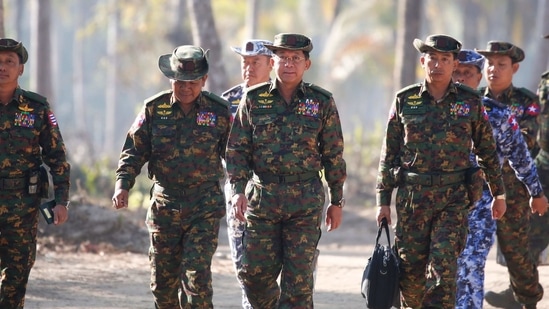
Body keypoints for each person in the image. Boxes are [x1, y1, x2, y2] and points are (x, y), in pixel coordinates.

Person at [375, 34, 507, 309]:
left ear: (454, 62)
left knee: (443, 270)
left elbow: (486, 150)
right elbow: (389, 154)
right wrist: (382, 201)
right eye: (432, 58)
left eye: (444, 59)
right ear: (423, 61)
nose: (438, 64)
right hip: (413, 198)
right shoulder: (405, 100)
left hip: (453, 198)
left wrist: (499, 193)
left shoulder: (470, 102)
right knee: (410, 276)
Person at [226, 33, 346, 308]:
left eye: (295, 58)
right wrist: (236, 192)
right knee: (253, 275)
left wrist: (337, 201)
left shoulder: (321, 102)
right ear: (274, 61)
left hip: (304, 201)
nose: (288, 64)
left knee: (299, 283)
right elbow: (237, 151)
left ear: (307, 64)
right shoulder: (254, 100)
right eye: (283, 58)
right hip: (262, 198)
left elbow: (334, 155)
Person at [112, 45, 231, 308]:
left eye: (192, 82)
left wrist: (244, 189)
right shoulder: (154, 109)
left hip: (204, 206)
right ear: (171, 79)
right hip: (165, 205)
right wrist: (123, 184)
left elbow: (236, 155)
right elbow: (133, 151)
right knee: (162, 287)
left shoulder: (220, 112)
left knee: (196, 280)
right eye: (180, 82)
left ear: (203, 80)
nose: (186, 87)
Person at [453, 49, 548, 309]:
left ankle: (526, 299)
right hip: (442, 200)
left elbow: (524, 149)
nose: (495, 69)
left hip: (501, 194)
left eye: (468, 73)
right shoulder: (433, 107)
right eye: (457, 72)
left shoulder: (504, 110)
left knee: (509, 252)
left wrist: (535, 192)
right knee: (440, 266)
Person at [0, 38, 71, 308]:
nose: (2, 67)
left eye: (10, 62)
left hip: (22, 206)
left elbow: (57, 157)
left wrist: (62, 200)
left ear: (20, 69)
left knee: (16, 277)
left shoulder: (37, 108)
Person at [221, 38, 273, 309]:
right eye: (245, 62)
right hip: (241, 193)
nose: (249, 68)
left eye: (256, 63)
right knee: (245, 267)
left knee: (287, 271)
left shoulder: (283, 98)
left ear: (271, 65)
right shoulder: (227, 103)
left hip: (277, 194)